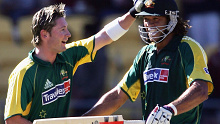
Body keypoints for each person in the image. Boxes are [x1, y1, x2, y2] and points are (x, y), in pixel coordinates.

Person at [4, 2, 142, 123]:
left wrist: (133, 12)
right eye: (62, 29)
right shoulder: (24, 72)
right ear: (45, 34)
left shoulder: (68, 55)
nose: (69, 34)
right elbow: (12, 120)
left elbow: (105, 36)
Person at [83, 0, 214, 123]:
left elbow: (200, 90)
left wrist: (170, 109)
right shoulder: (145, 53)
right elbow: (118, 95)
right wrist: (83, 120)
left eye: (156, 19)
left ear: (172, 20)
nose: (150, 24)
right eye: (146, 19)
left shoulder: (187, 47)